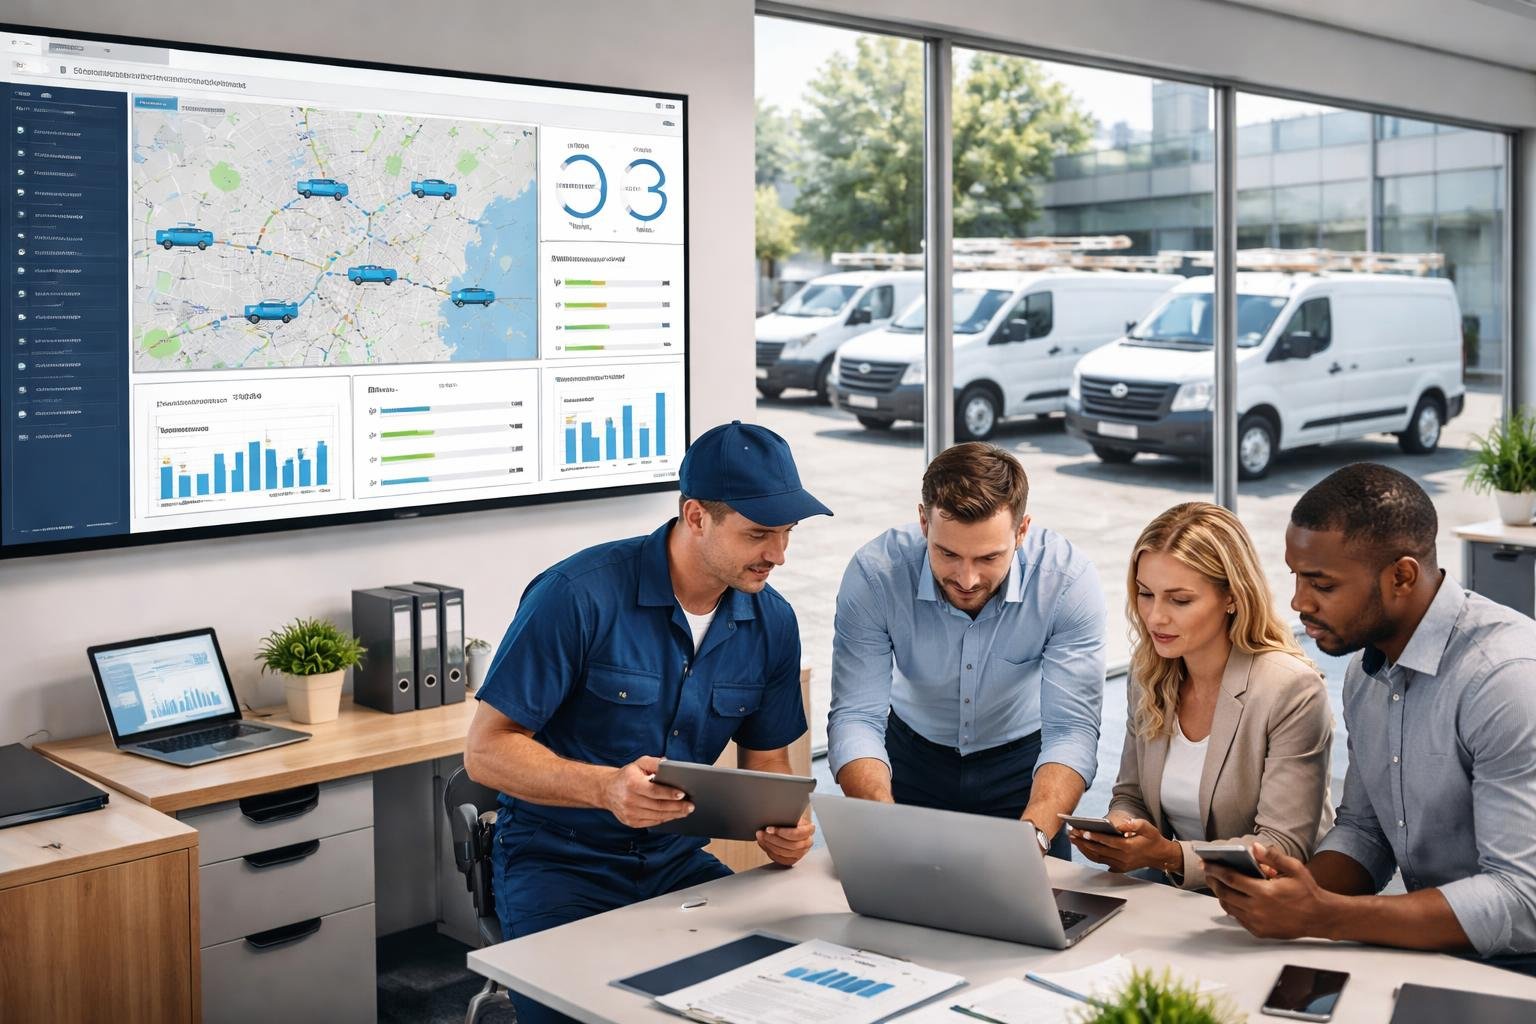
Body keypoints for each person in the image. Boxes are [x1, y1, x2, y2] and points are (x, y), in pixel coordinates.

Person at [464, 421, 832, 1023]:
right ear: (695, 516)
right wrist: (605, 788)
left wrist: (785, 828)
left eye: (788, 533)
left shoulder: (773, 623)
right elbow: (485, 752)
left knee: (773, 999)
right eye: (759, 533)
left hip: (675, 860)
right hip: (558, 861)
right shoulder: (577, 595)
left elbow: (770, 768)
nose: (778, 554)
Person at [1205, 463, 1536, 975]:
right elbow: (1367, 829)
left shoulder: (1506, 680)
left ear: (1401, 576)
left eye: (1322, 584)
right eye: (1296, 576)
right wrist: (1296, 893)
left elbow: (1521, 899)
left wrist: (1326, 915)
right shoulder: (1366, 670)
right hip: (1430, 949)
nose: (1298, 601)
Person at [827, 442, 1106, 857]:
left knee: (1033, 914)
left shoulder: (1066, 582)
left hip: (1025, 769)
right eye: (948, 553)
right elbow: (856, 715)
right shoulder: (875, 575)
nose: (968, 578)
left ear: (1022, 530)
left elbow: (1071, 730)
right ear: (924, 522)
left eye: (989, 557)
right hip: (909, 760)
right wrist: (881, 822)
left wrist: (1035, 835)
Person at [1068, 502, 1333, 889]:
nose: (1155, 617)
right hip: (1179, 898)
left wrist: (1167, 855)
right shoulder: (1149, 675)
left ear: (1231, 597)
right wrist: (1119, 828)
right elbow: (1132, 795)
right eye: (1145, 594)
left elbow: (1282, 845)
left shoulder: (1290, 689)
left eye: (1180, 600)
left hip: (1273, 903)